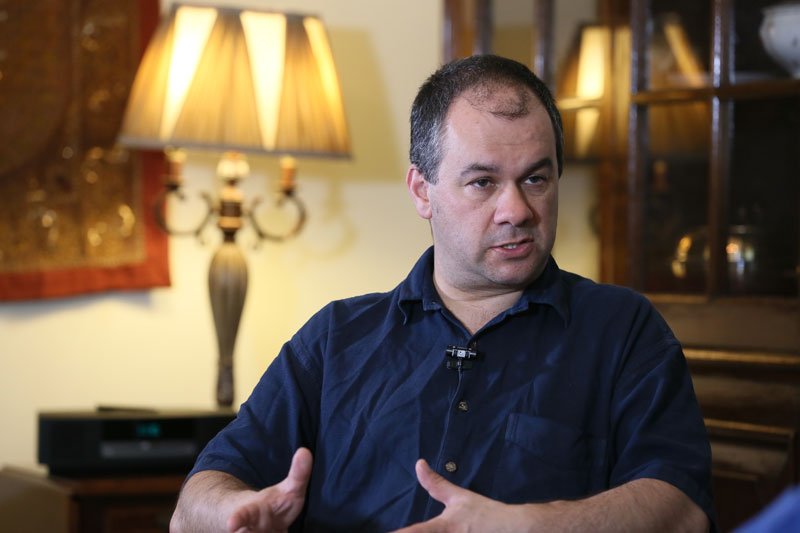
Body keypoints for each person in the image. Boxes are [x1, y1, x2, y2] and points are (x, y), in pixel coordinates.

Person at [170, 55, 716, 532]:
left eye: (536, 178)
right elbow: (197, 501)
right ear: (421, 191)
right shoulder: (336, 338)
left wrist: (525, 526)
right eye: (483, 182)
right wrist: (236, 513)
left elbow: (683, 510)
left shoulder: (622, 329)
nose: (517, 210)